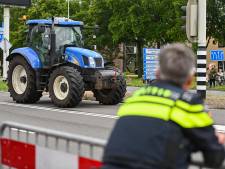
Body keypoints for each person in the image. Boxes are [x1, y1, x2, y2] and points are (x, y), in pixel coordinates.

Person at [102, 43, 225, 169]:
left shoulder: (136, 98)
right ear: (189, 80)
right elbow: (214, 158)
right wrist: (217, 141)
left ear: (157, 74)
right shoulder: (188, 103)